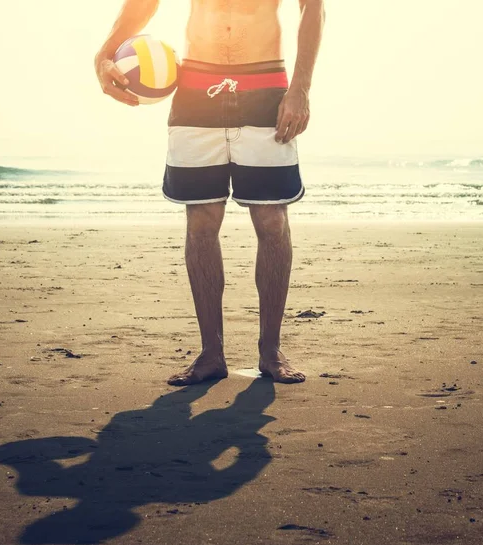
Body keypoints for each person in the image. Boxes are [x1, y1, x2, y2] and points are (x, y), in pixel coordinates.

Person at [95, 0, 325, 385]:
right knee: (201, 221)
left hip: (266, 86)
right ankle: (210, 353)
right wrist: (103, 56)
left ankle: (271, 351)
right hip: (196, 90)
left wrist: (300, 87)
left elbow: (312, 8)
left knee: (271, 218)